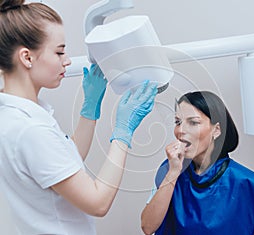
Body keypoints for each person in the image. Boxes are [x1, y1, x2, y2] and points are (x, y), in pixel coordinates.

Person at [0, 0, 157, 234]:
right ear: (27, 57)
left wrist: (89, 109)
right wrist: (123, 133)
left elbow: (63, 162)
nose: (67, 60)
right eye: (59, 52)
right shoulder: (29, 130)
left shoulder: (15, 116)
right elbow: (98, 202)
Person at [141, 91, 254, 235]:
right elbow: (148, 227)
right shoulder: (169, 170)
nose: (181, 130)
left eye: (193, 122)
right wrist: (173, 173)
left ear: (216, 130)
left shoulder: (246, 183)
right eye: (178, 122)